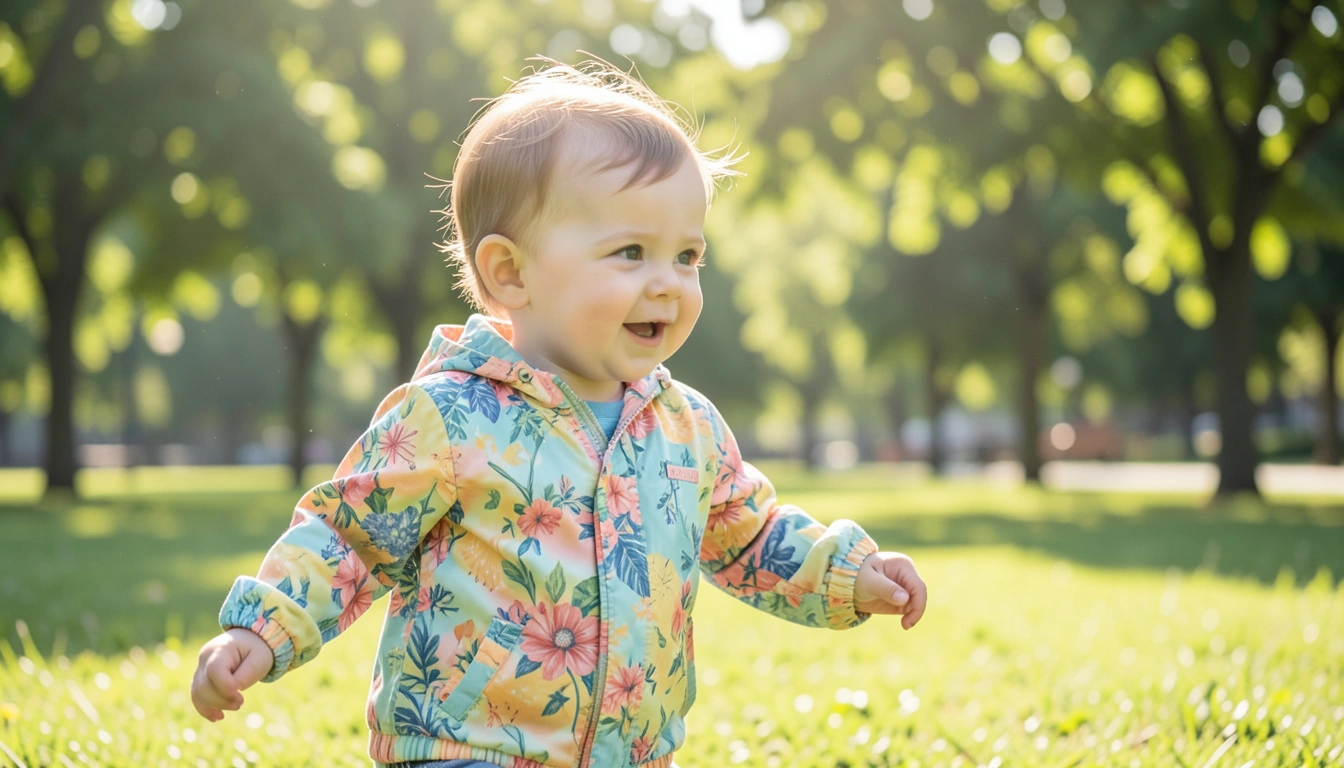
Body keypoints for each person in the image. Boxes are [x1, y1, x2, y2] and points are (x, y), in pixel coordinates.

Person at [190, 55, 927, 768]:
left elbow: (751, 537)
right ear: (510, 273)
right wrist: (266, 626)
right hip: (468, 748)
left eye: (688, 256)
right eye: (632, 251)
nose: (669, 283)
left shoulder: (687, 428)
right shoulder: (451, 416)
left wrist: (848, 574)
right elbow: (348, 535)